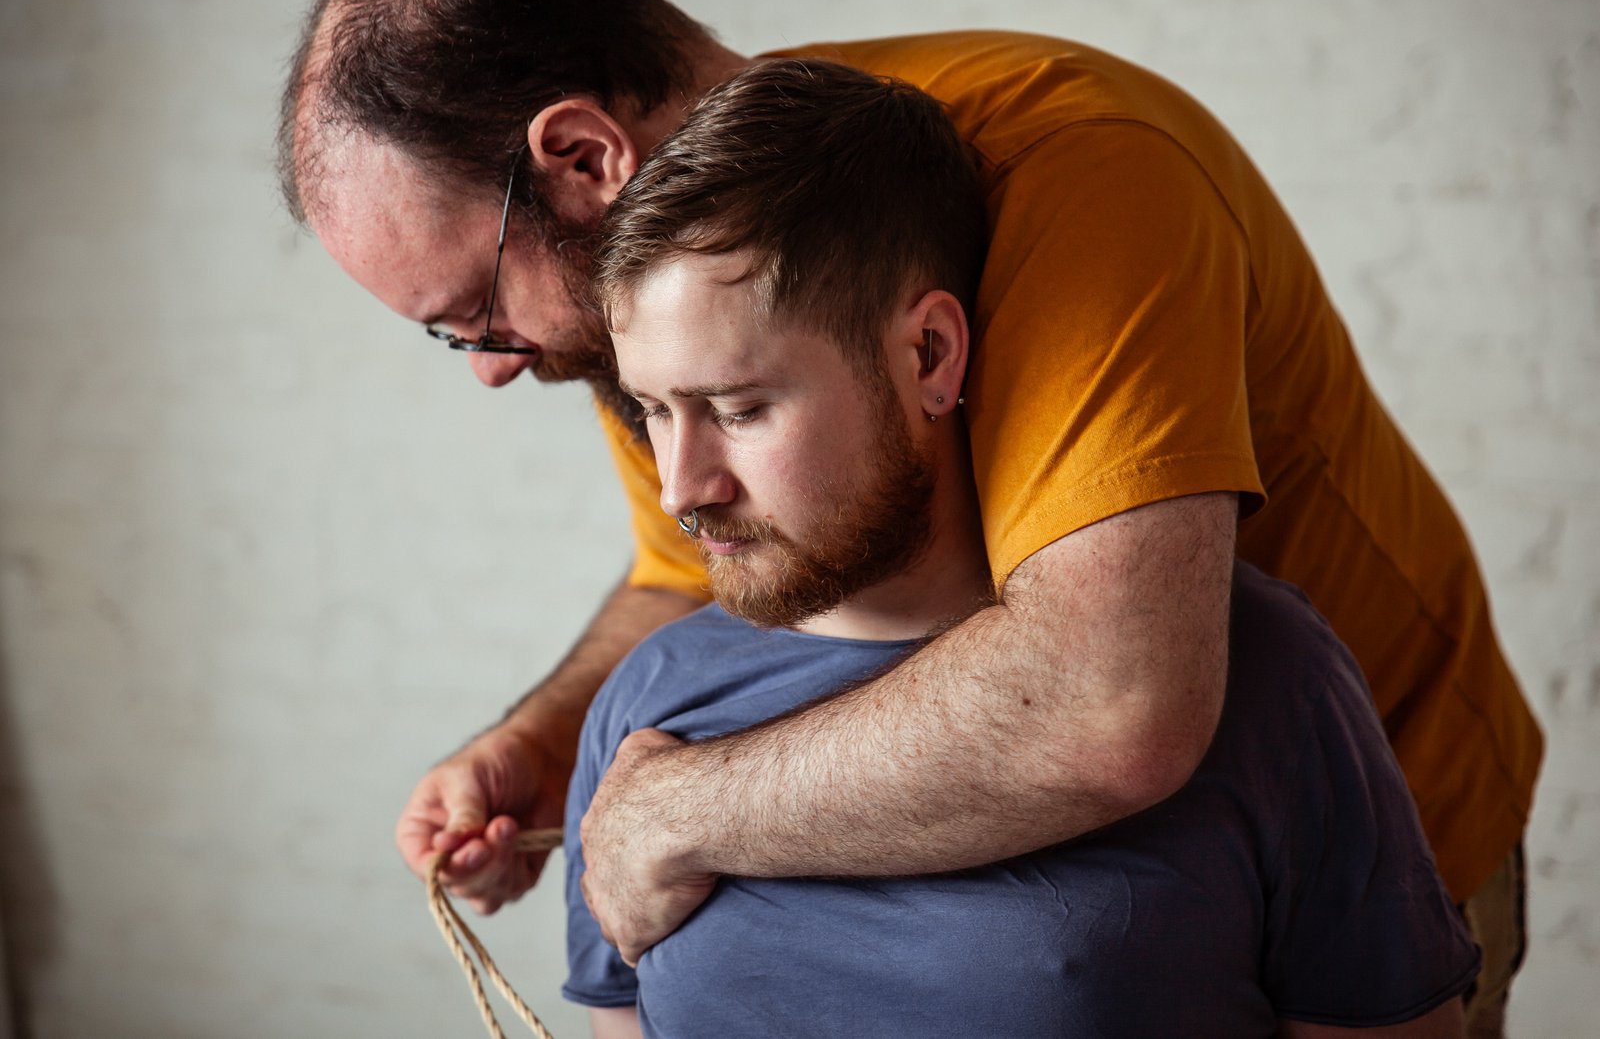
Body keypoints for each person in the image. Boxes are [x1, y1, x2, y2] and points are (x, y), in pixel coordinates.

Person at [277, 0, 1539, 1028]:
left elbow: (1112, 701)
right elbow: (704, 565)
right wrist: (549, 745)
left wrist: (672, 812)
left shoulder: (1082, 168)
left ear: (580, 159)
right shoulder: (660, 294)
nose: (493, 366)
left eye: (472, 314)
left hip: (1342, 853)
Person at [561, 57, 1478, 1039]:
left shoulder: (1261, 673)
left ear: (929, 355)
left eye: (739, 408)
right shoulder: (645, 710)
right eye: (654, 410)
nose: (680, 487)